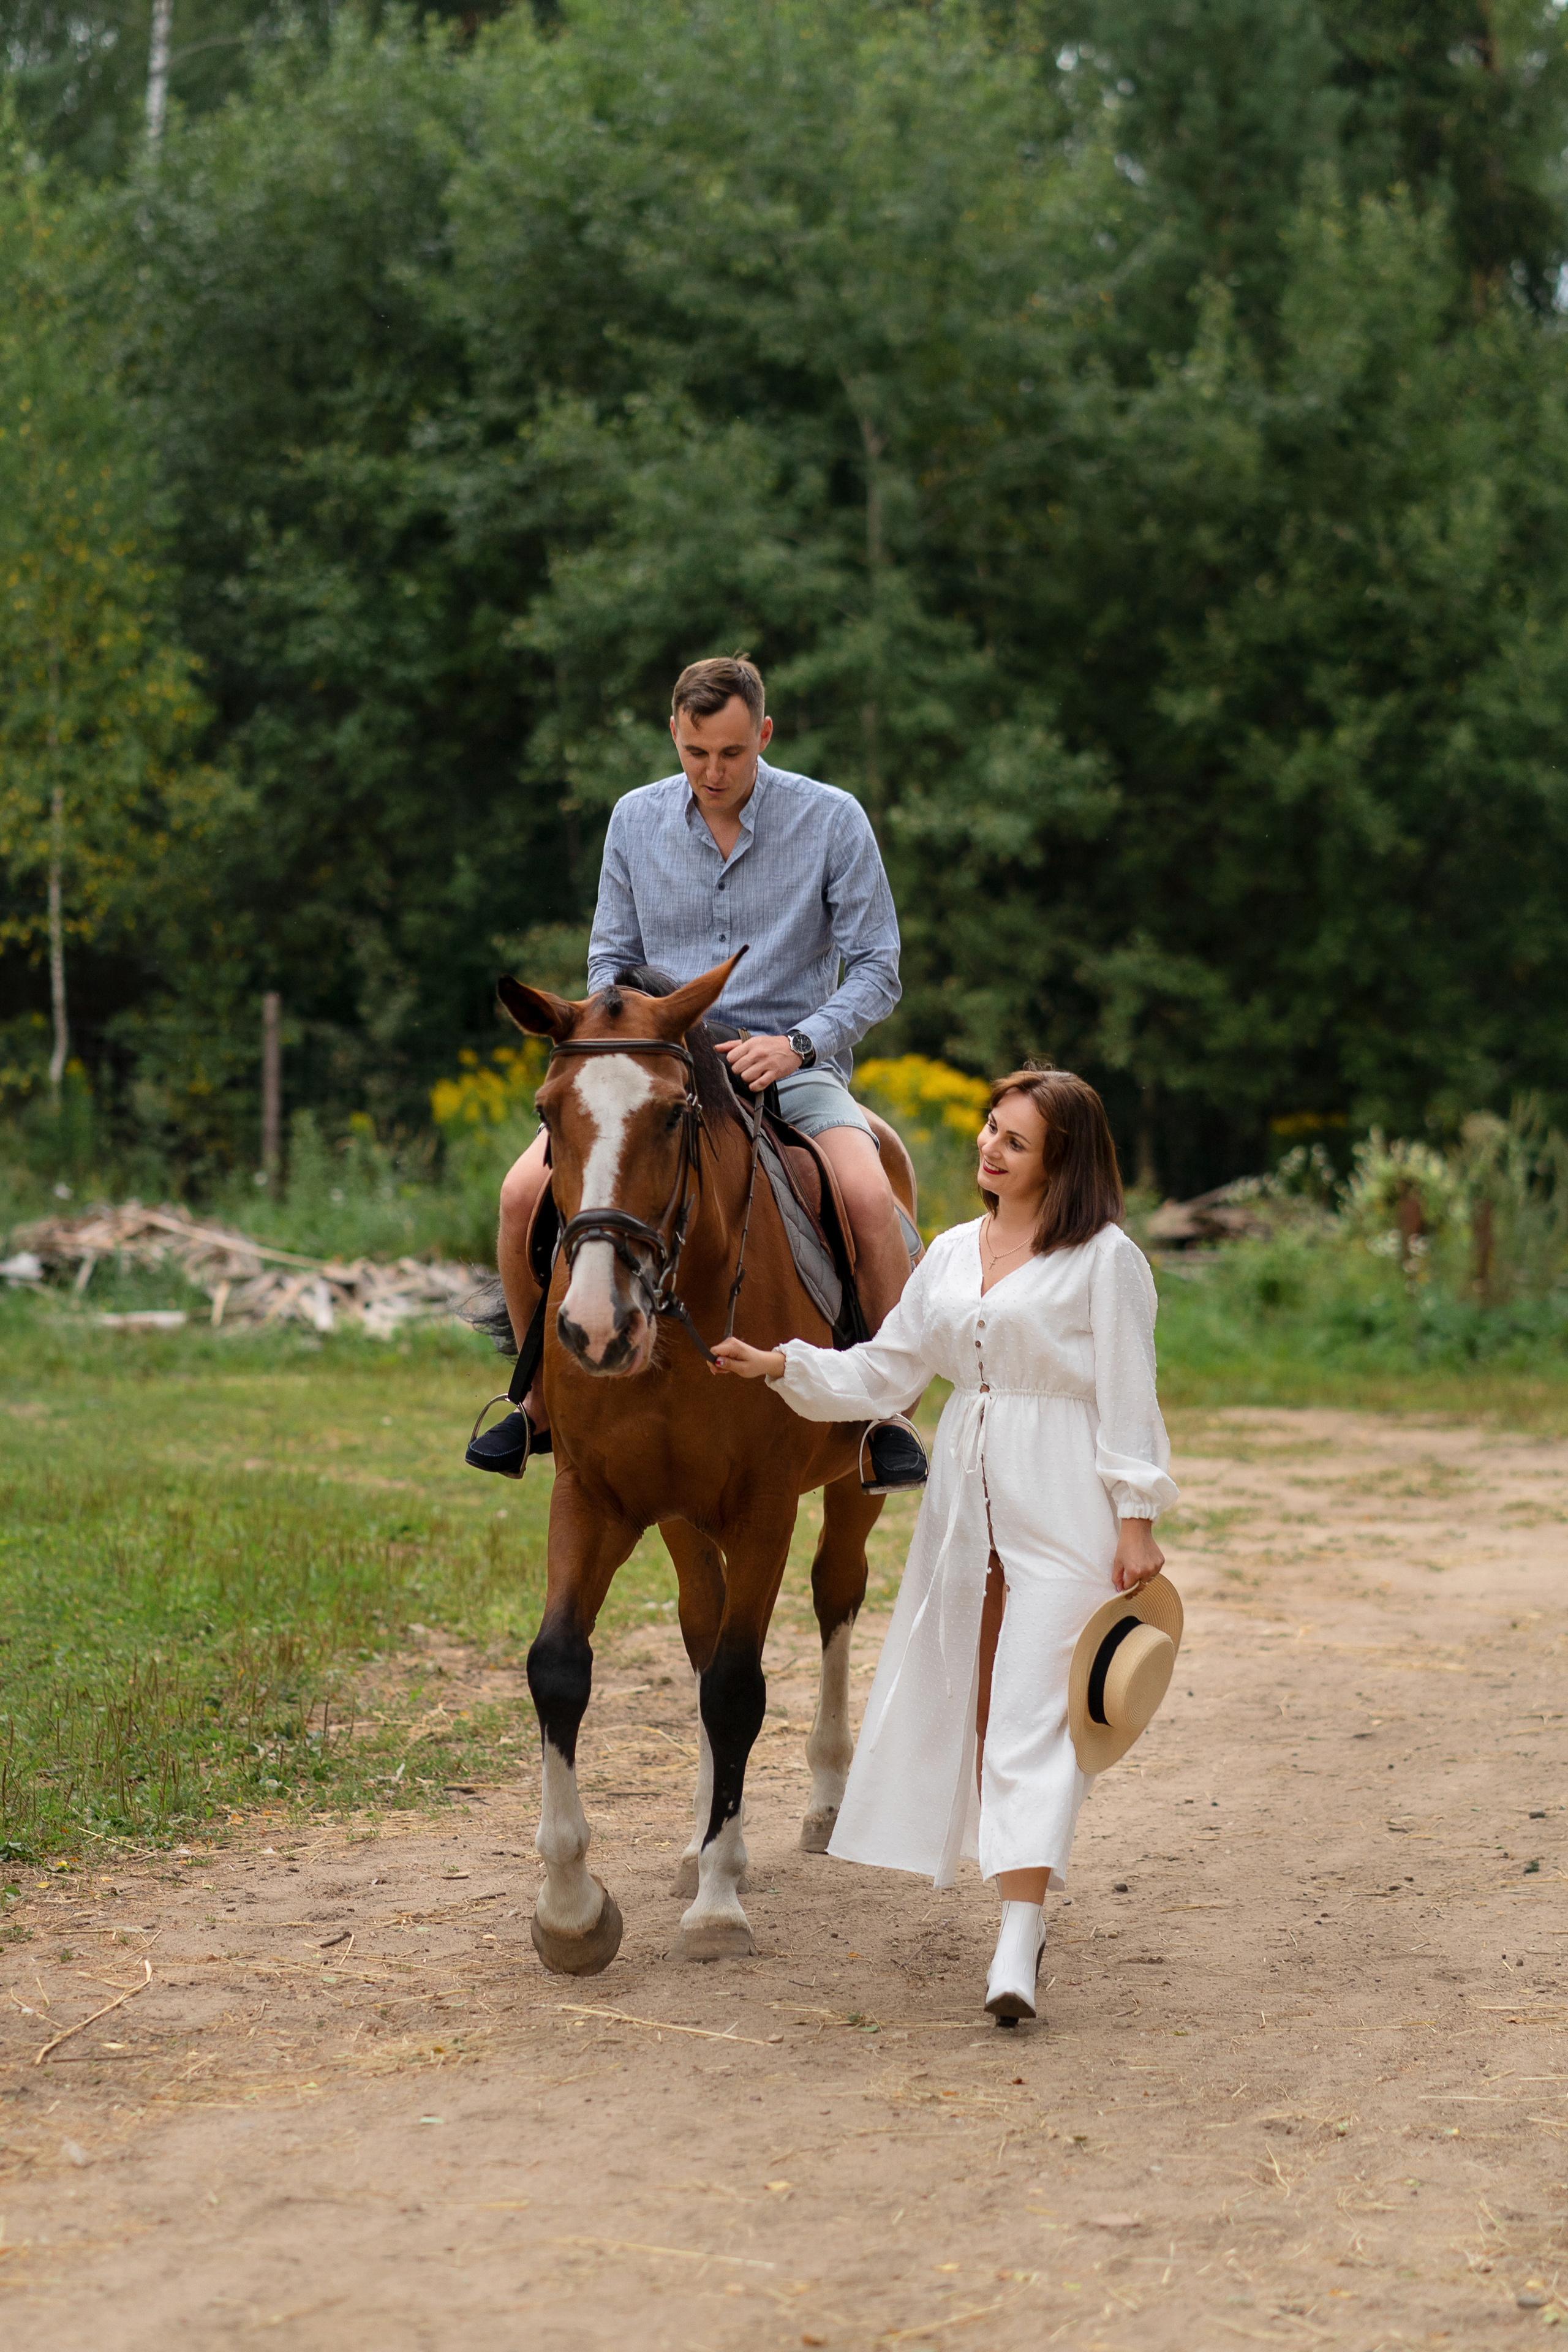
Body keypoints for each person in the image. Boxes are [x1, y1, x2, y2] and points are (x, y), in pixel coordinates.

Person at [711, 1064, 1180, 2022]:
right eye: (989, 1129)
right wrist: (781, 1366)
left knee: (1032, 1715)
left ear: (1064, 1159)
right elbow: (889, 1368)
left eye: (1015, 1139)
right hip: (966, 1495)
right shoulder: (956, 1251)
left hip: (1064, 1491)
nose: (989, 1148)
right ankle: (1017, 1917)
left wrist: (1136, 1520)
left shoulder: (1106, 1259)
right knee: (965, 1702)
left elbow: (1130, 1395)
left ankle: (1017, 1938)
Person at [469, 651, 925, 1486]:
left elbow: (877, 969)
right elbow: (611, 956)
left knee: (866, 1195)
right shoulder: (635, 819)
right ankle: (535, 1396)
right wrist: (637, 1042)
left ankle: (883, 1414)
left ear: (765, 735)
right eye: (695, 752)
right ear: (673, 735)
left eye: (733, 753)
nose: (714, 772)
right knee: (517, 1194)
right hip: (659, 1068)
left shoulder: (833, 818)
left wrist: (797, 1042)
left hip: (788, 1062)